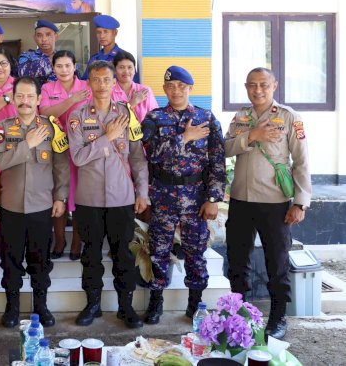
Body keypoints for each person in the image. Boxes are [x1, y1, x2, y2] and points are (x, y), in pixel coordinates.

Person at [224, 67, 311, 340]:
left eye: (263, 84)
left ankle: (278, 316)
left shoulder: (289, 117)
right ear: (246, 86)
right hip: (240, 200)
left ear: (275, 85)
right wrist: (251, 136)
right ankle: (239, 314)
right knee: (238, 261)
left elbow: (302, 161)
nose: (257, 90)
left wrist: (301, 203)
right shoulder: (241, 116)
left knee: (277, 261)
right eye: (252, 85)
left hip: (275, 203)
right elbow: (224, 148)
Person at [140, 66, 226, 325]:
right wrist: (184, 137)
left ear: (190, 88)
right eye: (170, 86)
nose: (176, 90)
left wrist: (213, 199)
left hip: (196, 197)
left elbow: (217, 161)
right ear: (164, 89)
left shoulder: (206, 118)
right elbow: (150, 153)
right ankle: (156, 304)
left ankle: (194, 305)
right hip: (163, 194)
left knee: (195, 251)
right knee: (158, 250)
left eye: (181, 86)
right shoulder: (154, 118)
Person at [67, 61, 149, 329]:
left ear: (115, 83)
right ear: (88, 83)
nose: (101, 84)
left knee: (123, 255)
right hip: (88, 199)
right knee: (90, 255)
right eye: (96, 79)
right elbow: (78, 157)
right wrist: (107, 137)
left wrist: (142, 193)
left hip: (122, 199)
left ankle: (126, 307)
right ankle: (93, 305)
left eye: (106, 80)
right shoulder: (77, 117)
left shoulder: (128, 115)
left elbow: (137, 158)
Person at [0, 76, 70, 328]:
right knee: (11, 260)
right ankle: (12, 308)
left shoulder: (52, 127)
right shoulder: (2, 127)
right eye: (20, 96)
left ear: (39, 99)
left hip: (41, 206)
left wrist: (60, 196)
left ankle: (41, 306)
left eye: (30, 96)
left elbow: (60, 165)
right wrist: (27, 144)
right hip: (11, 206)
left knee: (41, 260)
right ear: (13, 99)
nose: (25, 101)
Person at [39, 50, 91, 260]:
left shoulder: (87, 86)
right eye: (59, 66)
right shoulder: (47, 87)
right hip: (56, 149)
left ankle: (77, 243)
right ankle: (59, 240)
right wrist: (71, 100)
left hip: (83, 149)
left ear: (75, 66)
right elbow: (44, 113)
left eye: (68, 65)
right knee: (58, 194)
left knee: (79, 196)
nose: (64, 70)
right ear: (53, 68)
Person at [111, 50, 157, 122]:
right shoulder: (109, 91)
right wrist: (132, 103)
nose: (126, 71)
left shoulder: (144, 90)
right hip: (118, 133)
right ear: (114, 70)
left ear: (134, 70)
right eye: (121, 67)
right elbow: (109, 119)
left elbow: (155, 117)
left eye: (129, 67)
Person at [17, 20, 60, 87]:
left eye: (48, 35)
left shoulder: (64, 56)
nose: (44, 39)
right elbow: (22, 73)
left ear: (56, 37)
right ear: (35, 38)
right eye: (39, 36)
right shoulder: (27, 56)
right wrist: (51, 60)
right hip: (35, 96)